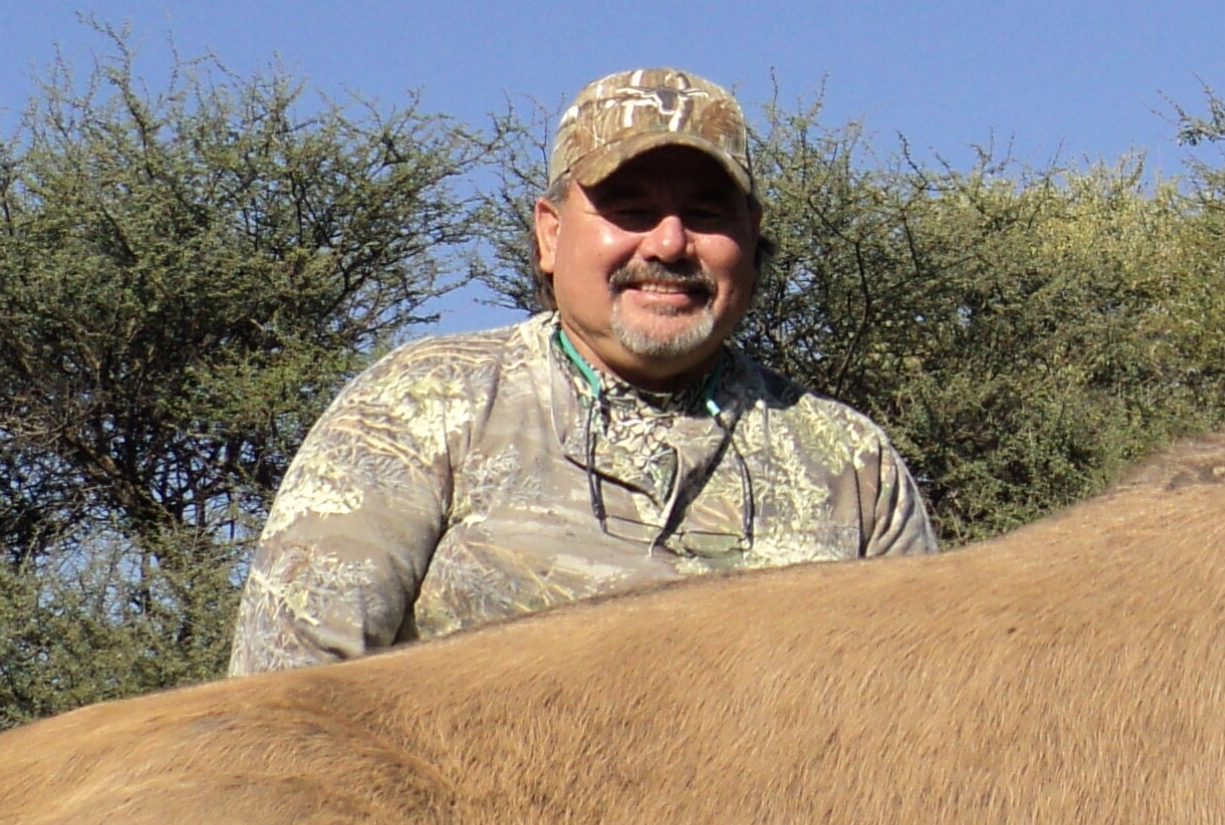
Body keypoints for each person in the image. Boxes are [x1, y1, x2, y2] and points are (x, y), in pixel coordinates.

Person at [227, 68, 934, 673]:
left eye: (706, 213)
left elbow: (922, 726)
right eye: (628, 209)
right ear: (551, 233)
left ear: (751, 235)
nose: (668, 242)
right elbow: (285, 704)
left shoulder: (851, 465)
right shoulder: (421, 405)